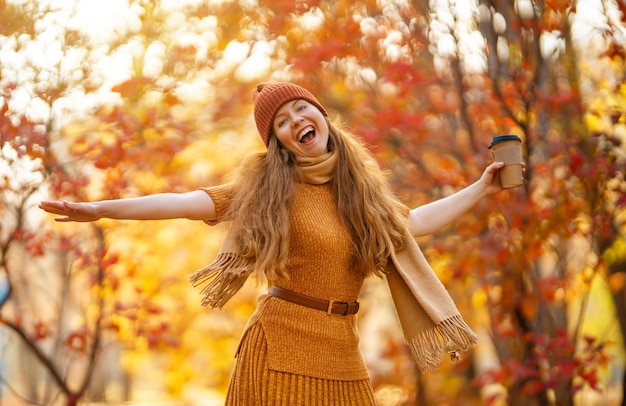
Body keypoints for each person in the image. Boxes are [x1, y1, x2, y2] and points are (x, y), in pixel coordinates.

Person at [40, 82, 516, 405]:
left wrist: (483, 189)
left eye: (301, 109)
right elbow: (187, 202)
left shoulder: (360, 192)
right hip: (279, 346)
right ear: (279, 142)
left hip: (341, 350)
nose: (296, 121)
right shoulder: (271, 189)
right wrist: (102, 209)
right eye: (282, 122)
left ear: (320, 114)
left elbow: (414, 224)